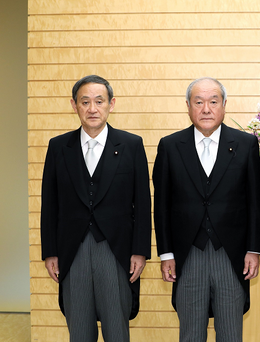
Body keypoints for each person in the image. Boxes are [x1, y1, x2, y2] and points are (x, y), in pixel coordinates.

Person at [153, 77, 260, 342]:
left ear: (224, 106)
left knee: (230, 334)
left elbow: (255, 203)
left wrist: (253, 249)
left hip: (232, 255)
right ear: (188, 107)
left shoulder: (245, 145)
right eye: (199, 102)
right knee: (190, 334)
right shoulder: (170, 146)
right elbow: (162, 205)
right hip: (187, 256)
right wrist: (166, 253)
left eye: (213, 102)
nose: (206, 109)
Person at [41, 75, 152, 342]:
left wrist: (140, 251)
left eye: (99, 101)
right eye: (85, 102)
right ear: (74, 105)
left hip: (116, 252)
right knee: (79, 332)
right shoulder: (58, 147)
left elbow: (143, 202)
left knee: (117, 331)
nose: (93, 108)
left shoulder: (131, 145)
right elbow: (49, 204)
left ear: (111, 104)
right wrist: (50, 252)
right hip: (72, 251)